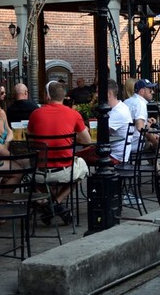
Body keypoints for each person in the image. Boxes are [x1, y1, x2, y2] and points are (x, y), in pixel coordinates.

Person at [27, 81, 92, 224]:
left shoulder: (35, 114)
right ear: (64, 97)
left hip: (40, 172)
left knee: (28, 172)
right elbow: (87, 141)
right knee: (83, 168)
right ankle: (57, 202)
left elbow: (31, 141)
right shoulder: (73, 114)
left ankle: (48, 203)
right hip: (64, 170)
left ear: (47, 96)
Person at [76, 80, 134, 165]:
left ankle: (91, 177)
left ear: (109, 94)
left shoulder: (118, 112)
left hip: (113, 155)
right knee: (78, 155)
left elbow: (98, 133)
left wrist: (82, 131)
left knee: (75, 158)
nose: (96, 95)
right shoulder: (118, 108)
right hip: (112, 151)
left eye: (98, 92)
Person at [124, 78, 160, 155]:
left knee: (152, 138)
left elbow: (134, 122)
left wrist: (146, 121)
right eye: (150, 89)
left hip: (126, 142)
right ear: (142, 91)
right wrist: (154, 141)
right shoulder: (140, 104)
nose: (152, 92)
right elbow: (140, 128)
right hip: (136, 143)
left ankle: (157, 167)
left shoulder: (127, 101)